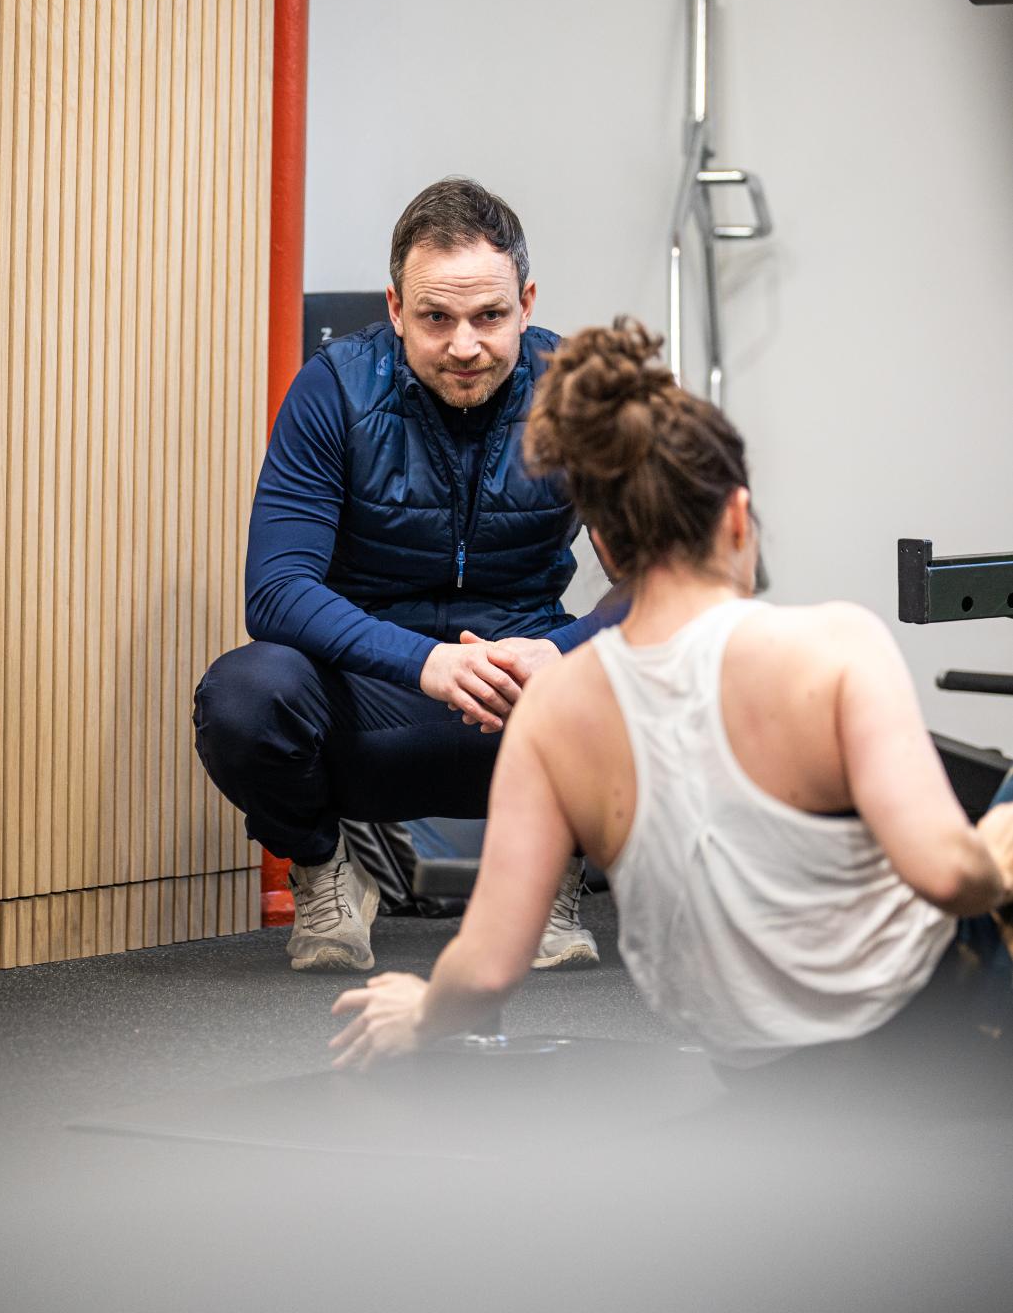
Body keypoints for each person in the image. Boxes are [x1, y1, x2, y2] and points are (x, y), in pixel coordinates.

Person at [328, 318, 1013, 1072]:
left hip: (752, 1067)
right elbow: (949, 877)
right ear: (736, 517)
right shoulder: (836, 643)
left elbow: (488, 965)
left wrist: (422, 1012)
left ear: (607, 547)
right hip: (928, 1035)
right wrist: (997, 846)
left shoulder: (553, 713)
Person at [194, 178, 620, 973]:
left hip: (527, 696)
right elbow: (276, 590)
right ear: (394, 309)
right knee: (245, 694)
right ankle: (326, 869)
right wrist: (425, 662)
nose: (465, 345)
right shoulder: (333, 390)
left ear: (525, 301)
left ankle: (549, 873)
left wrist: (558, 651)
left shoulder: (580, 398)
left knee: (666, 674)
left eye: (489, 316)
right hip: (375, 696)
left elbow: (665, 585)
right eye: (436, 318)